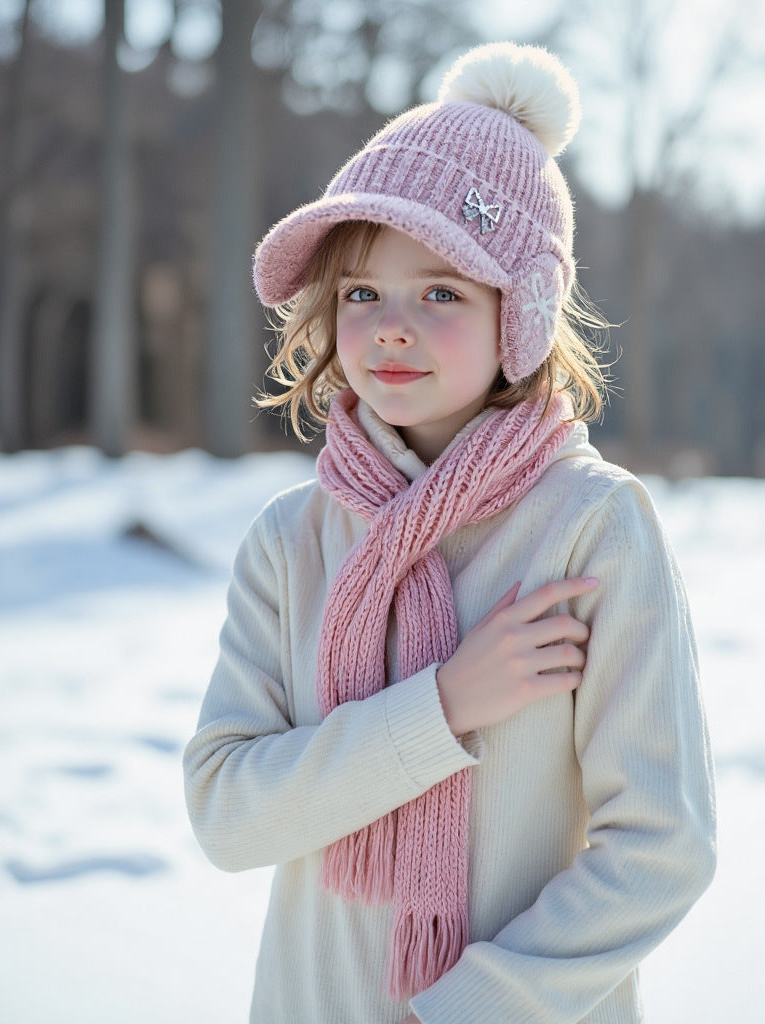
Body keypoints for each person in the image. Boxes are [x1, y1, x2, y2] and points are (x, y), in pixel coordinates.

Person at [184, 41, 716, 1024]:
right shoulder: (292, 540)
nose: (392, 327)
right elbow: (226, 810)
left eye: (440, 291)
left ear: (521, 313)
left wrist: (467, 1009)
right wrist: (442, 706)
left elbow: (660, 843)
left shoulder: (591, 526)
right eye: (361, 294)